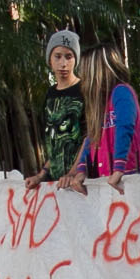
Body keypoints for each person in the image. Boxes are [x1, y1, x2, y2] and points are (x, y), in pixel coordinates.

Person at [70, 44, 140, 191]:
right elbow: (92, 137)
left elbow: (125, 126)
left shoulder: (121, 91)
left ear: (96, 72)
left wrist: (119, 166)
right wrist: (81, 169)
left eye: (85, 73)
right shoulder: (100, 104)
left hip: (129, 174)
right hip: (108, 177)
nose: (83, 78)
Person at [25, 29, 85, 192]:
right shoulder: (49, 95)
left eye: (69, 56)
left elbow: (90, 138)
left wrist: (73, 173)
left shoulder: (85, 90)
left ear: (76, 59)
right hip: (55, 184)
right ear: (49, 60)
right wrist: (41, 175)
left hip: (83, 182)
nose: (63, 63)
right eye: (57, 56)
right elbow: (55, 141)